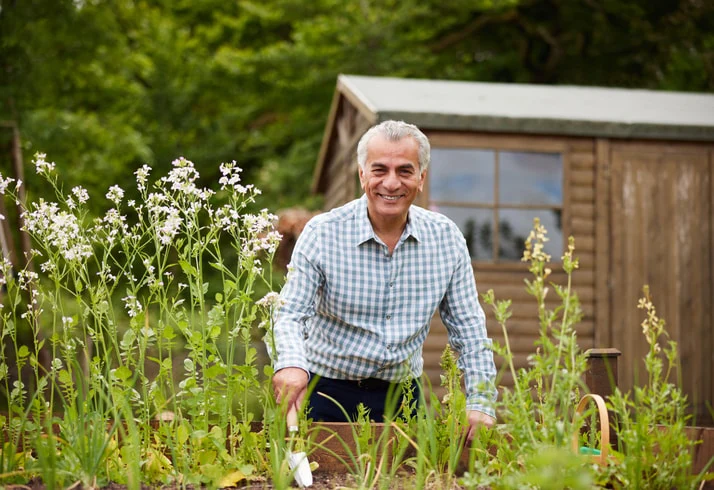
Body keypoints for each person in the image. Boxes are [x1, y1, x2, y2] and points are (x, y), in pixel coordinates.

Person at [271, 120, 497, 438]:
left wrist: (481, 400)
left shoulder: (446, 239)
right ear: (362, 174)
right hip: (326, 393)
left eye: (404, 171)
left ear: (421, 178)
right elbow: (291, 313)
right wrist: (292, 363)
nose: (391, 183)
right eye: (380, 170)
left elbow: (469, 329)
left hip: (403, 398)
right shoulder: (323, 233)